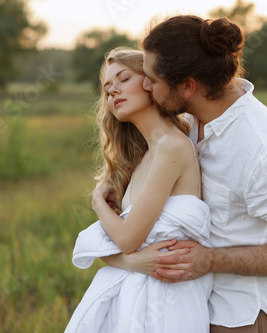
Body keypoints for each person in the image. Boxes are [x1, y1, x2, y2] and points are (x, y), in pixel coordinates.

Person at [101, 15, 267, 333]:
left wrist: (209, 260)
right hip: (197, 304)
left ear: (188, 86)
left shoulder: (261, 150)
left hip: (246, 316)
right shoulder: (192, 123)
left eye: (152, 79)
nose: (146, 86)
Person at [65, 47, 213, 333]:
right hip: (137, 300)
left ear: (151, 82)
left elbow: (127, 239)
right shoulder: (144, 156)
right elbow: (116, 250)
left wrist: (98, 203)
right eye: (107, 89)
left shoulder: (173, 145)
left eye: (123, 79)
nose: (113, 92)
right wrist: (132, 262)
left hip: (168, 306)